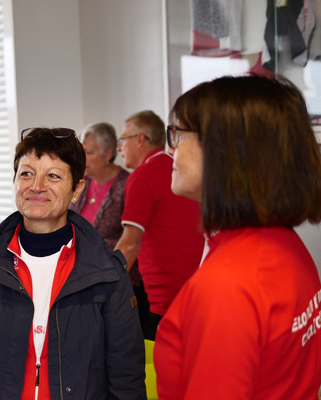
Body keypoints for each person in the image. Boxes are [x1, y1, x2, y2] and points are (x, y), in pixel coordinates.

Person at [154, 75, 321, 399]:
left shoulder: (228, 283)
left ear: (225, 151)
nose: (169, 148)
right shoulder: (283, 243)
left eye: (179, 135)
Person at [0, 128, 146, 399]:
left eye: (53, 176)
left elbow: (126, 380)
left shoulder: (107, 273)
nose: (36, 186)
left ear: (76, 189)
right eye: (26, 174)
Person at [114, 110, 204, 340]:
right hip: (198, 293)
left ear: (140, 139)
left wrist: (100, 287)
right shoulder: (183, 170)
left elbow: (129, 246)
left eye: (123, 139)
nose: (120, 148)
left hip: (164, 305)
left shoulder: (143, 176)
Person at [69, 122, 149, 325]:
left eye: (89, 152)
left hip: (117, 284)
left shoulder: (127, 184)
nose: (82, 158)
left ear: (108, 154)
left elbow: (132, 242)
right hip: (80, 280)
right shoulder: (82, 183)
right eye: (82, 151)